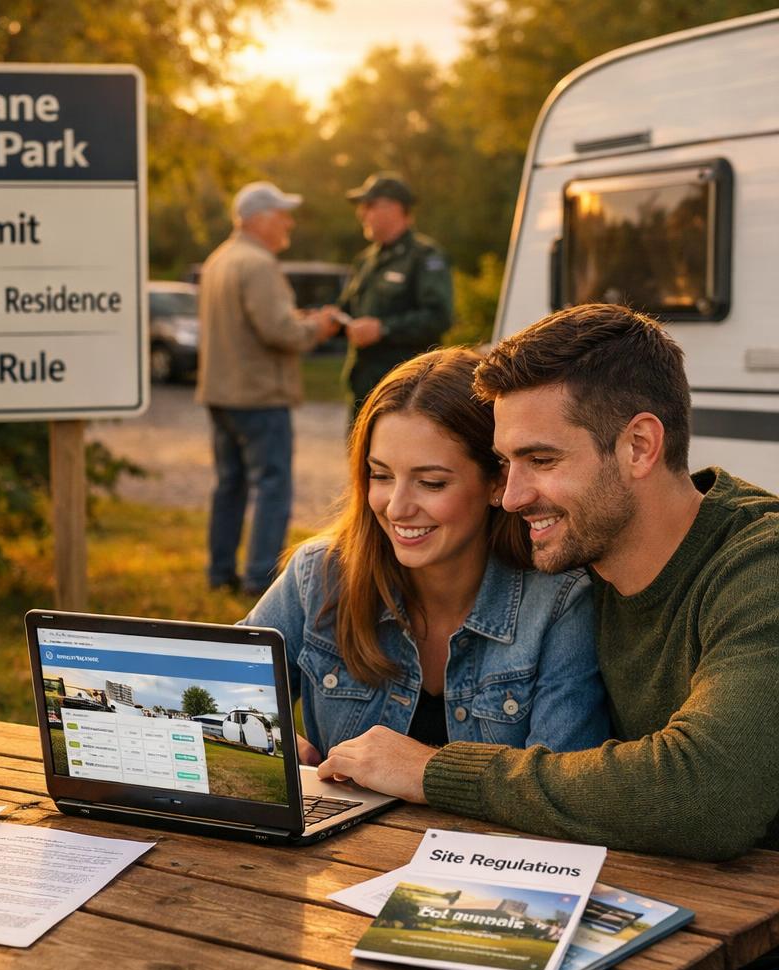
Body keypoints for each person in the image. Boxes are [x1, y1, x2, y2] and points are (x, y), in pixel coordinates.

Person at [317, 305, 779, 868]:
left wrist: (430, 770)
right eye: (507, 462)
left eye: (541, 459)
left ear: (639, 446)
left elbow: (709, 795)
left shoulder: (760, 566)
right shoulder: (585, 566)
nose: (512, 497)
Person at [243, 347, 610, 761]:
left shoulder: (559, 603)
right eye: (381, 475)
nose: (397, 507)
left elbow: (560, 780)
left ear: (497, 483)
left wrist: (420, 769)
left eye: (431, 483)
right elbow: (218, 687)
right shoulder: (320, 573)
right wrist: (280, 746)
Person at [196, 181, 338, 595]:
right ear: (258, 219)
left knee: (230, 485)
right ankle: (260, 579)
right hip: (258, 395)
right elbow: (279, 331)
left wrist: (296, 320)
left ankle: (220, 572)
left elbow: (249, 323)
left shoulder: (219, 258)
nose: (288, 223)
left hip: (221, 392)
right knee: (273, 487)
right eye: (282, 215)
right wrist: (318, 327)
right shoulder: (259, 264)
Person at [338, 172, 453, 420]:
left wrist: (383, 329)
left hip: (405, 393)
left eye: (369, 205)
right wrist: (330, 318)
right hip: (363, 388)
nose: (361, 213)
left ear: (394, 209)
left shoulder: (424, 256)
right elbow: (348, 311)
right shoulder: (366, 260)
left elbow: (439, 317)